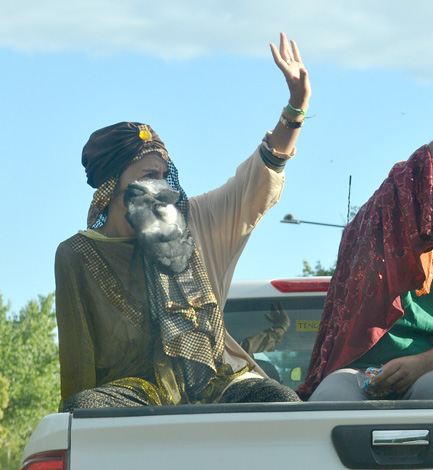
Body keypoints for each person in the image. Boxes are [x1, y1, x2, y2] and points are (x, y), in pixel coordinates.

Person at [55, 33, 310, 410]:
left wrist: (295, 109)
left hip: (217, 385)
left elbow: (251, 186)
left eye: (164, 175)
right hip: (136, 396)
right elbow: (78, 361)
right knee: (85, 406)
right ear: (112, 186)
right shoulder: (78, 254)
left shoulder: (191, 222)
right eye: (147, 176)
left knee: (278, 398)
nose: (160, 188)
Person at [296, 57, 433, 401]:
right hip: (359, 371)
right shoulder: (382, 227)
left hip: (429, 372)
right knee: (330, 399)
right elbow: (412, 178)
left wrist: (425, 362)